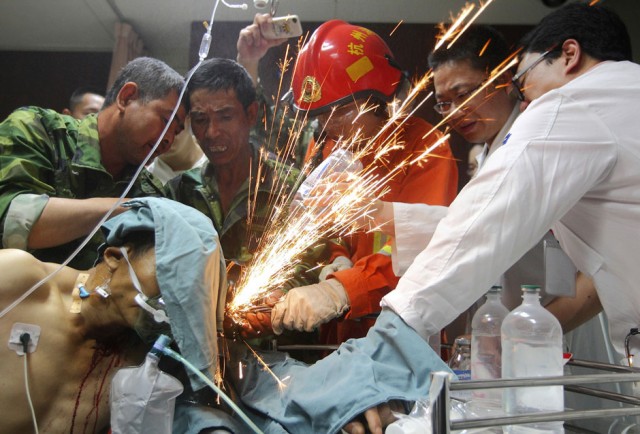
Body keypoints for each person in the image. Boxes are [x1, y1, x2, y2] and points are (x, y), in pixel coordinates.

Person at [230, 4, 638, 433]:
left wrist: (380, 328)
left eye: (521, 80)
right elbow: (463, 223)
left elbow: (479, 225)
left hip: (536, 343)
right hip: (528, 337)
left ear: (569, 55)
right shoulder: (615, 105)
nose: (524, 95)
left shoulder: (570, 105)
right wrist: (354, 242)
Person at [252, 20, 458, 345]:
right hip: (341, 337)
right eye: (320, 116)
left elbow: (425, 248)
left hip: (403, 337)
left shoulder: (424, 148)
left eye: (340, 112)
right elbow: (328, 228)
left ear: (376, 99)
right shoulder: (331, 148)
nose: (329, 126)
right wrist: (336, 259)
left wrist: (341, 289)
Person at [0, 197, 228, 433]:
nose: (170, 300)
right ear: (115, 256)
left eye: (186, 293)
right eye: (168, 275)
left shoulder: (150, 362)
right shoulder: (19, 282)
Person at [0, 57, 186, 269]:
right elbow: (11, 222)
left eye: (176, 132)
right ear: (127, 97)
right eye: (166, 121)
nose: (168, 140)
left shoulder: (149, 192)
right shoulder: (39, 130)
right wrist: (124, 207)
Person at [165, 58, 316, 279]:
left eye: (225, 117)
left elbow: (310, 265)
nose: (212, 132)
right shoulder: (180, 192)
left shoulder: (290, 187)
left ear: (251, 114)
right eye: (200, 119)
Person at [147, 117, 208, 185]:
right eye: (152, 127)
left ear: (188, 117)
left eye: (168, 123)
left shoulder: (215, 160)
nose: (164, 137)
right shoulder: (147, 182)